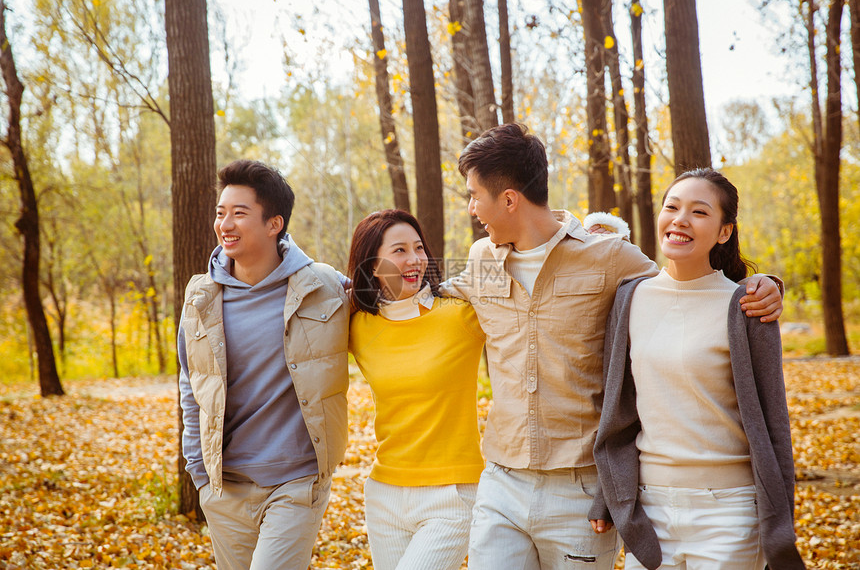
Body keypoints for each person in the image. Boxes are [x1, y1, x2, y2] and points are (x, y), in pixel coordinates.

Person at [437, 124, 785, 570]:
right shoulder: (484, 259)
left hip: (580, 488)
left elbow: (685, 283)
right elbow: (446, 293)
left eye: (474, 196)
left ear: (508, 199)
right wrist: (360, 287)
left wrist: (765, 285)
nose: (471, 208)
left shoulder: (608, 258)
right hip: (501, 480)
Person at [589, 168, 804, 569]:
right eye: (672, 207)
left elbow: (774, 421)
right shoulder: (629, 297)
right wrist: (609, 495)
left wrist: (780, 522)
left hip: (729, 513)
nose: (680, 219)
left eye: (699, 212)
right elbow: (618, 408)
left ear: (724, 232)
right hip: (649, 512)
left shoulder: (747, 305)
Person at [177, 160, 349, 570]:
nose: (225, 224)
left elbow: (390, 308)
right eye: (221, 213)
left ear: (275, 224)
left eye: (239, 213)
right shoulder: (200, 296)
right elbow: (191, 385)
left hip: (297, 480)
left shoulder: (322, 286)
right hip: (225, 488)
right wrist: (200, 475)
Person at [347, 209, 485, 570]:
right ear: (372, 266)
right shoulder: (356, 325)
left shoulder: (461, 315)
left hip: (451, 495)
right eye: (399, 251)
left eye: (419, 248)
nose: (415, 260)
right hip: (384, 494)